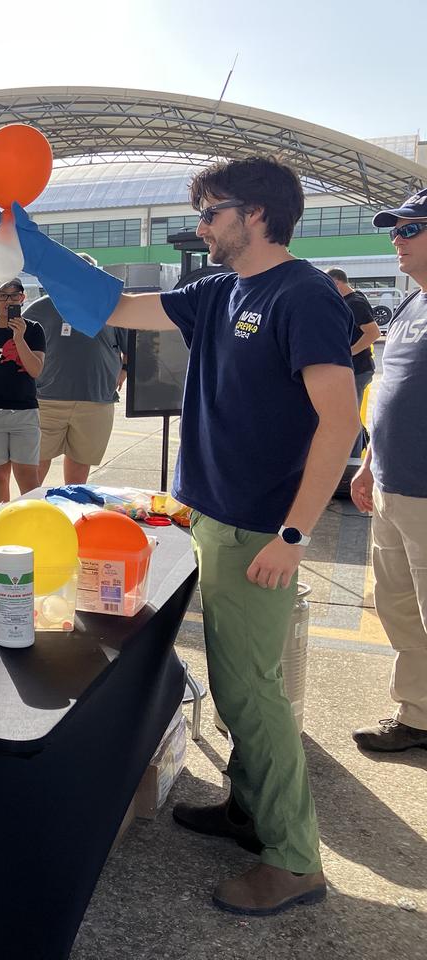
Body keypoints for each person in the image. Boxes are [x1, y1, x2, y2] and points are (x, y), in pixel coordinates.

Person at [73, 156, 358, 914]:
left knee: (251, 691)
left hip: (259, 529)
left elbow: (340, 421)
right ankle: (248, 809)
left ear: (255, 214)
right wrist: (29, 242)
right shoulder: (220, 290)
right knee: (233, 679)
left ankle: (294, 861)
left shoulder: (303, 294)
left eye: (209, 213)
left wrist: (293, 534)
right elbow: (114, 306)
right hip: (210, 515)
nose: (199, 228)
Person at [349, 188, 427, 752]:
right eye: (395, 230)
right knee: (399, 608)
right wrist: (368, 462)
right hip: (391, 486)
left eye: (410, 229)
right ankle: (418, 715)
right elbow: (385, 390)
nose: (397, 240)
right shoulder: (409, 305)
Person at [23, 254, 129, 486]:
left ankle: (72, 505)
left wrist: (124, 369)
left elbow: (130, 344)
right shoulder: (40, 308)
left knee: (80, 466)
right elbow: (17, 345)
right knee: (36, 463)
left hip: (95, 399)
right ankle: (28, 506)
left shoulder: (109, 308)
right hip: (46, 400)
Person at [0, 279, 47, 507]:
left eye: (14, 296)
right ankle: (1, 519)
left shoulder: (33, 330)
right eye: (2, 296)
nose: (8, 301)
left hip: (24, 412)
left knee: (27, 475)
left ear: (23, 298)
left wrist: (18, 338)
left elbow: (35, 370)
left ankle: (31, 521)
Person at [324, 267, 381, 459]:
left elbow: (373, 332)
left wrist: (349, 353)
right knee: (347, 415)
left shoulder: (355, 303)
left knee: (350, 418)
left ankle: (353, 459)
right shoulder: (349, 300)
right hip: (353, 369)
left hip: (358, 370)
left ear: (337, 282)